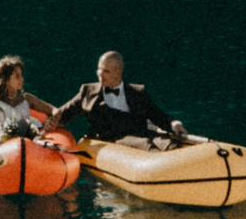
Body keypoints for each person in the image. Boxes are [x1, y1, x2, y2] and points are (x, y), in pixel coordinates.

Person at [52, 50, 186, 147]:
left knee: (167, 143)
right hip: (113, 139)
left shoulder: (137, 92)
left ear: (118, 72)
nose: (100, 75)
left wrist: (173, 123)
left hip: (141, 133)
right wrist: (42, 124)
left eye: (106, 71)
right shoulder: (87, 92)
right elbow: (63, 114)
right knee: (145, 144)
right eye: (99, 69)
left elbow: (157, 115)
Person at [0, 54, 61, 137]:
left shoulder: (27, 99)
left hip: (24, 145)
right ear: (6, 80)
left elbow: (55, 110)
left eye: (21, 75)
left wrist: (53, 120)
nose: (22, 79)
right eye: (17, 76)